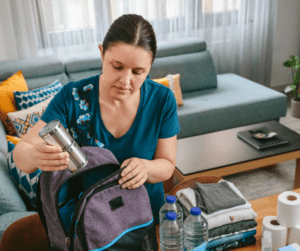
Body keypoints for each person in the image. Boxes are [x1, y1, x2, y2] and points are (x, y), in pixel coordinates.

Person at [13, 14, 180, 226]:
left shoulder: (162, 99)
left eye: (138, 72)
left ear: (149, 67)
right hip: (91, 225)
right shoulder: (72, 97)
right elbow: (21, 152)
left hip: (147, 218)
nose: (125, 81)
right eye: (117, 67)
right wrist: (35, 156)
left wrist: (146, 168)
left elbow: (167, 164)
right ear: (102, 54)